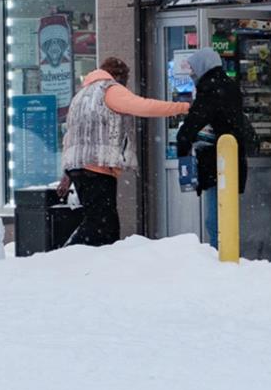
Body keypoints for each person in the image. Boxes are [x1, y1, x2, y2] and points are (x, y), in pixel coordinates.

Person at [60, 57, 189, 246]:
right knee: (102, 225)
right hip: (97, 167)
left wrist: (67, 174)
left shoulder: (82, 95)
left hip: (78, 166)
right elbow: (143, 106)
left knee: (98, 221)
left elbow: (70, 136)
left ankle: (87, 261)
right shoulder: (110, 90)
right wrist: (183, 107)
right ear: (120, 76)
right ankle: (68, 258)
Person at [176, 48, 250, 250]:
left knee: (216, 219)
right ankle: (224, 257)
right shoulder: (227, 87)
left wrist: (182, 143)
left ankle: (221, 262)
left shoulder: (210, 90)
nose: (191, 73)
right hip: (229, 160)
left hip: (217, 163)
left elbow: (194, 123)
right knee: (222, 216)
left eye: (193, 68)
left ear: (203, 66)